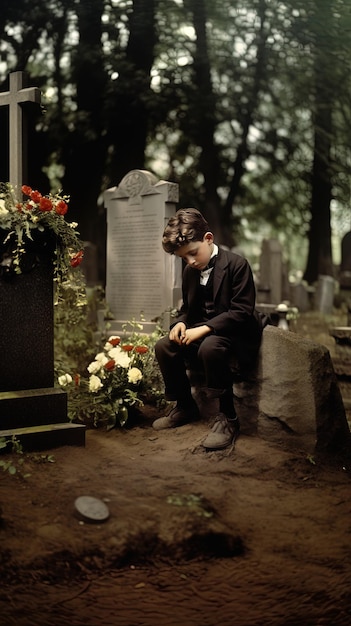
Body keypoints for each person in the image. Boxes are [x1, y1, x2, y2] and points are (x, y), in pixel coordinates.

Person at [152, 208, 269, 450]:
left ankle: (228, 417)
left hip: (234, 332)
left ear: (208, 239)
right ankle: (185, 406)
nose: (190, 261)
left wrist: (204, 328)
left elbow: (241, 311)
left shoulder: (237, 265)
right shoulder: (191, 271)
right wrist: (182, 323)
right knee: (164, 346)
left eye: (193, 254)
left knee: (210, 348)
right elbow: (188, 308)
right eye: (184, 258)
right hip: (203, 331)